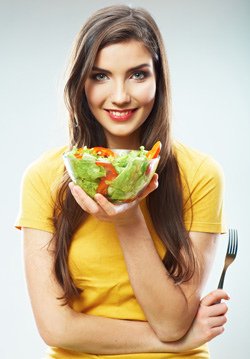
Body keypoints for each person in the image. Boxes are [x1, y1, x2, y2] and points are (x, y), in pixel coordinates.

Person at [16, 5, 229, 359]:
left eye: (137, 75)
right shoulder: (44, 177)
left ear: (159, 80)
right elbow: (56, 327)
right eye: (100, 76)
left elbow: (171, 323)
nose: (119, 96)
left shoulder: (202, 174)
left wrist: (127, 218)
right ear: (80, 83)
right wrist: (181, 339)